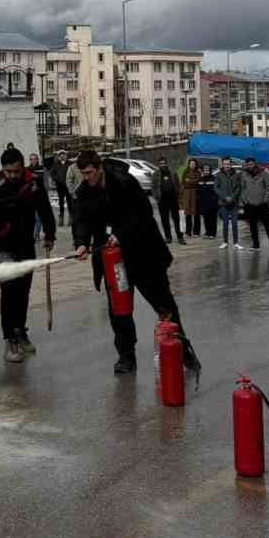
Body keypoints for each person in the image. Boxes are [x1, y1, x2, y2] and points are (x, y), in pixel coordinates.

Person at [73, 149, 200, 379]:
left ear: (99, 167)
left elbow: (143, 213)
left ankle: (183, 350)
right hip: (114, 262)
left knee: (164, 305)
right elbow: (80, 221)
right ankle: (126, 355)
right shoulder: (84, 192)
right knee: (118, 310)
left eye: (90, 172)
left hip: (143, 255)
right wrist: (81, 243)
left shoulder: (124, 182)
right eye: (83, 173)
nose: (87, 178)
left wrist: (121, 234)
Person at [0, 145, 56, 363]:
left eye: (16, 171)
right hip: (2, 249)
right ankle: (9, 338)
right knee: (9, 294)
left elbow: (45, 210)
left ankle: (21, 331)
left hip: (25, 246)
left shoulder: (33, 183)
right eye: (8, 172)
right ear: (3, 169)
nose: (12, 176)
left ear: (22, 168)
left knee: (23, 292)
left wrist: (50, 233)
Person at [239, 157, 269, 250]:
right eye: (248, 164)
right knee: (252, 225)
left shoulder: (263, 173)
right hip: (250, 204)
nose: (250, 166)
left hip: (262, 204)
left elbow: (268, 187)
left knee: (267, 225)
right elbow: (242, 188)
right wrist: (245, 200)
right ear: (246, 165)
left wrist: (265, 199)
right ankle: (256, 244)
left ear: (255, 164)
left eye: (251, 164)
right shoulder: (244, 174)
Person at [215, 157, 243, 249]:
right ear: (222, 165)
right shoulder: (218, 175)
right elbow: (216, 188)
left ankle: (236, 243)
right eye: (225, 164)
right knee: (225, 223)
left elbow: (239, 187)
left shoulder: (236, 174)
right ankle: (225, 242)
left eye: (228, 164)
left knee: (235, 223)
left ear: (231, 164)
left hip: (234, 203)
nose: (227, 165)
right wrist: (224, 197)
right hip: (223, 203)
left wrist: (232, 197)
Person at [156, 163, 183, 245]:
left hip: (173, 199)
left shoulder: (172, 172)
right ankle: (168, 237)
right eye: (160, 163)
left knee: (177, 219)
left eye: (164, 163)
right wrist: (156, 196)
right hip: (162, 200)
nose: (162, 165)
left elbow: (178, 184)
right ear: (158, 164)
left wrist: (178, 195)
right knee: (165, 220)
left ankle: (180, 237)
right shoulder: (156, 174)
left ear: (167, 163)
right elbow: (153, 185)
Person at [179, 158, 202, 237]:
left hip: (195, 195)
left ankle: (196, 232)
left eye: (194, 164)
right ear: (189, 164)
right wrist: (180, 197)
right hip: (187, 195)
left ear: (196, 164)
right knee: (188, 214)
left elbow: (198, 181)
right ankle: (188, 232)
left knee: (196, 214)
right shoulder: (185, 172)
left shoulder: (198, 172)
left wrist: (189, 181)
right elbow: (183, 183)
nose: (192, 165)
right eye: (191, 163)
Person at [197, 164, 219, 239]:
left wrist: (215, 200)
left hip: (213, 203)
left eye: (207, 170)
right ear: (203, 171)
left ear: (210, 171)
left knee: (213, 219)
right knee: (206, 218)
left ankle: (213, 234)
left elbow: (217, 191)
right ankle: (207, 232)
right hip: (204, 203)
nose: (206, 171)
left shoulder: (214, 179)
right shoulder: (200, 179)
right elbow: (198, 191)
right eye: (205, 170)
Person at [48, 150, 71, 221]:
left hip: (68, 185)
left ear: (66, 156)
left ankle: (71, 217)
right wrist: (56, 179)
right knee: (61, 201)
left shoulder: (70, 163)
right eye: (61, 156)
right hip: (59, 185)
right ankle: (61, 217)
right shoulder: (55, 164)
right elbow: (52, 173)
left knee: (69, 201)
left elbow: (72, 173)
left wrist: (70, 180)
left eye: (64, 155)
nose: (62, 157)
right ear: (59, 157)